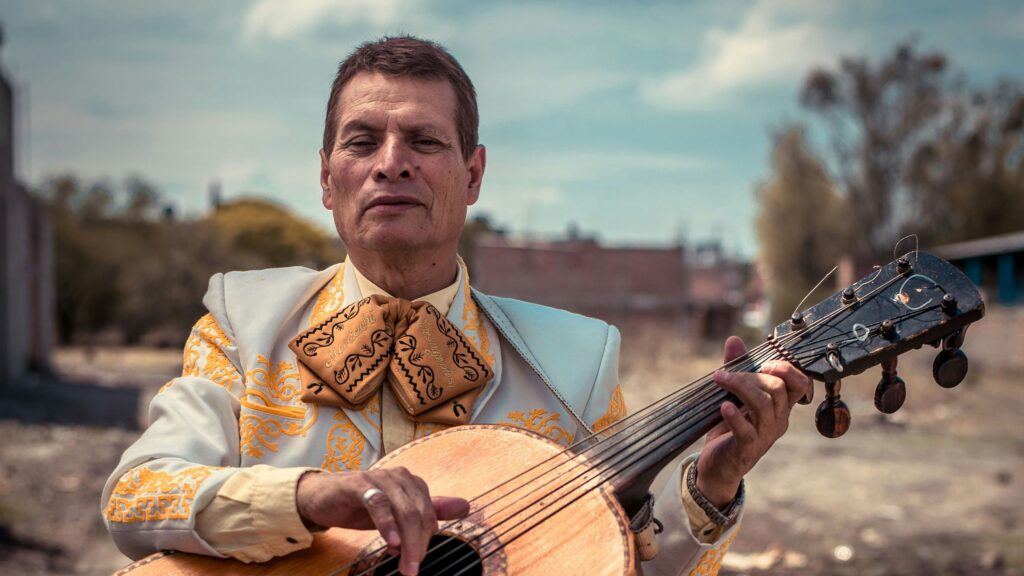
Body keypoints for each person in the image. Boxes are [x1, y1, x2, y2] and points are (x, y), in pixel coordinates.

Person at [102, 36, 810, 576]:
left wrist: (712, 488)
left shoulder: (576, 364)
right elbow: (136, 497)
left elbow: (622, 560)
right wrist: (305, 497)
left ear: (473, 176)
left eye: (424, 140)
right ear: (326, 178)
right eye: (362, 141)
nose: (391, 162)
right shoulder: (240, 326)